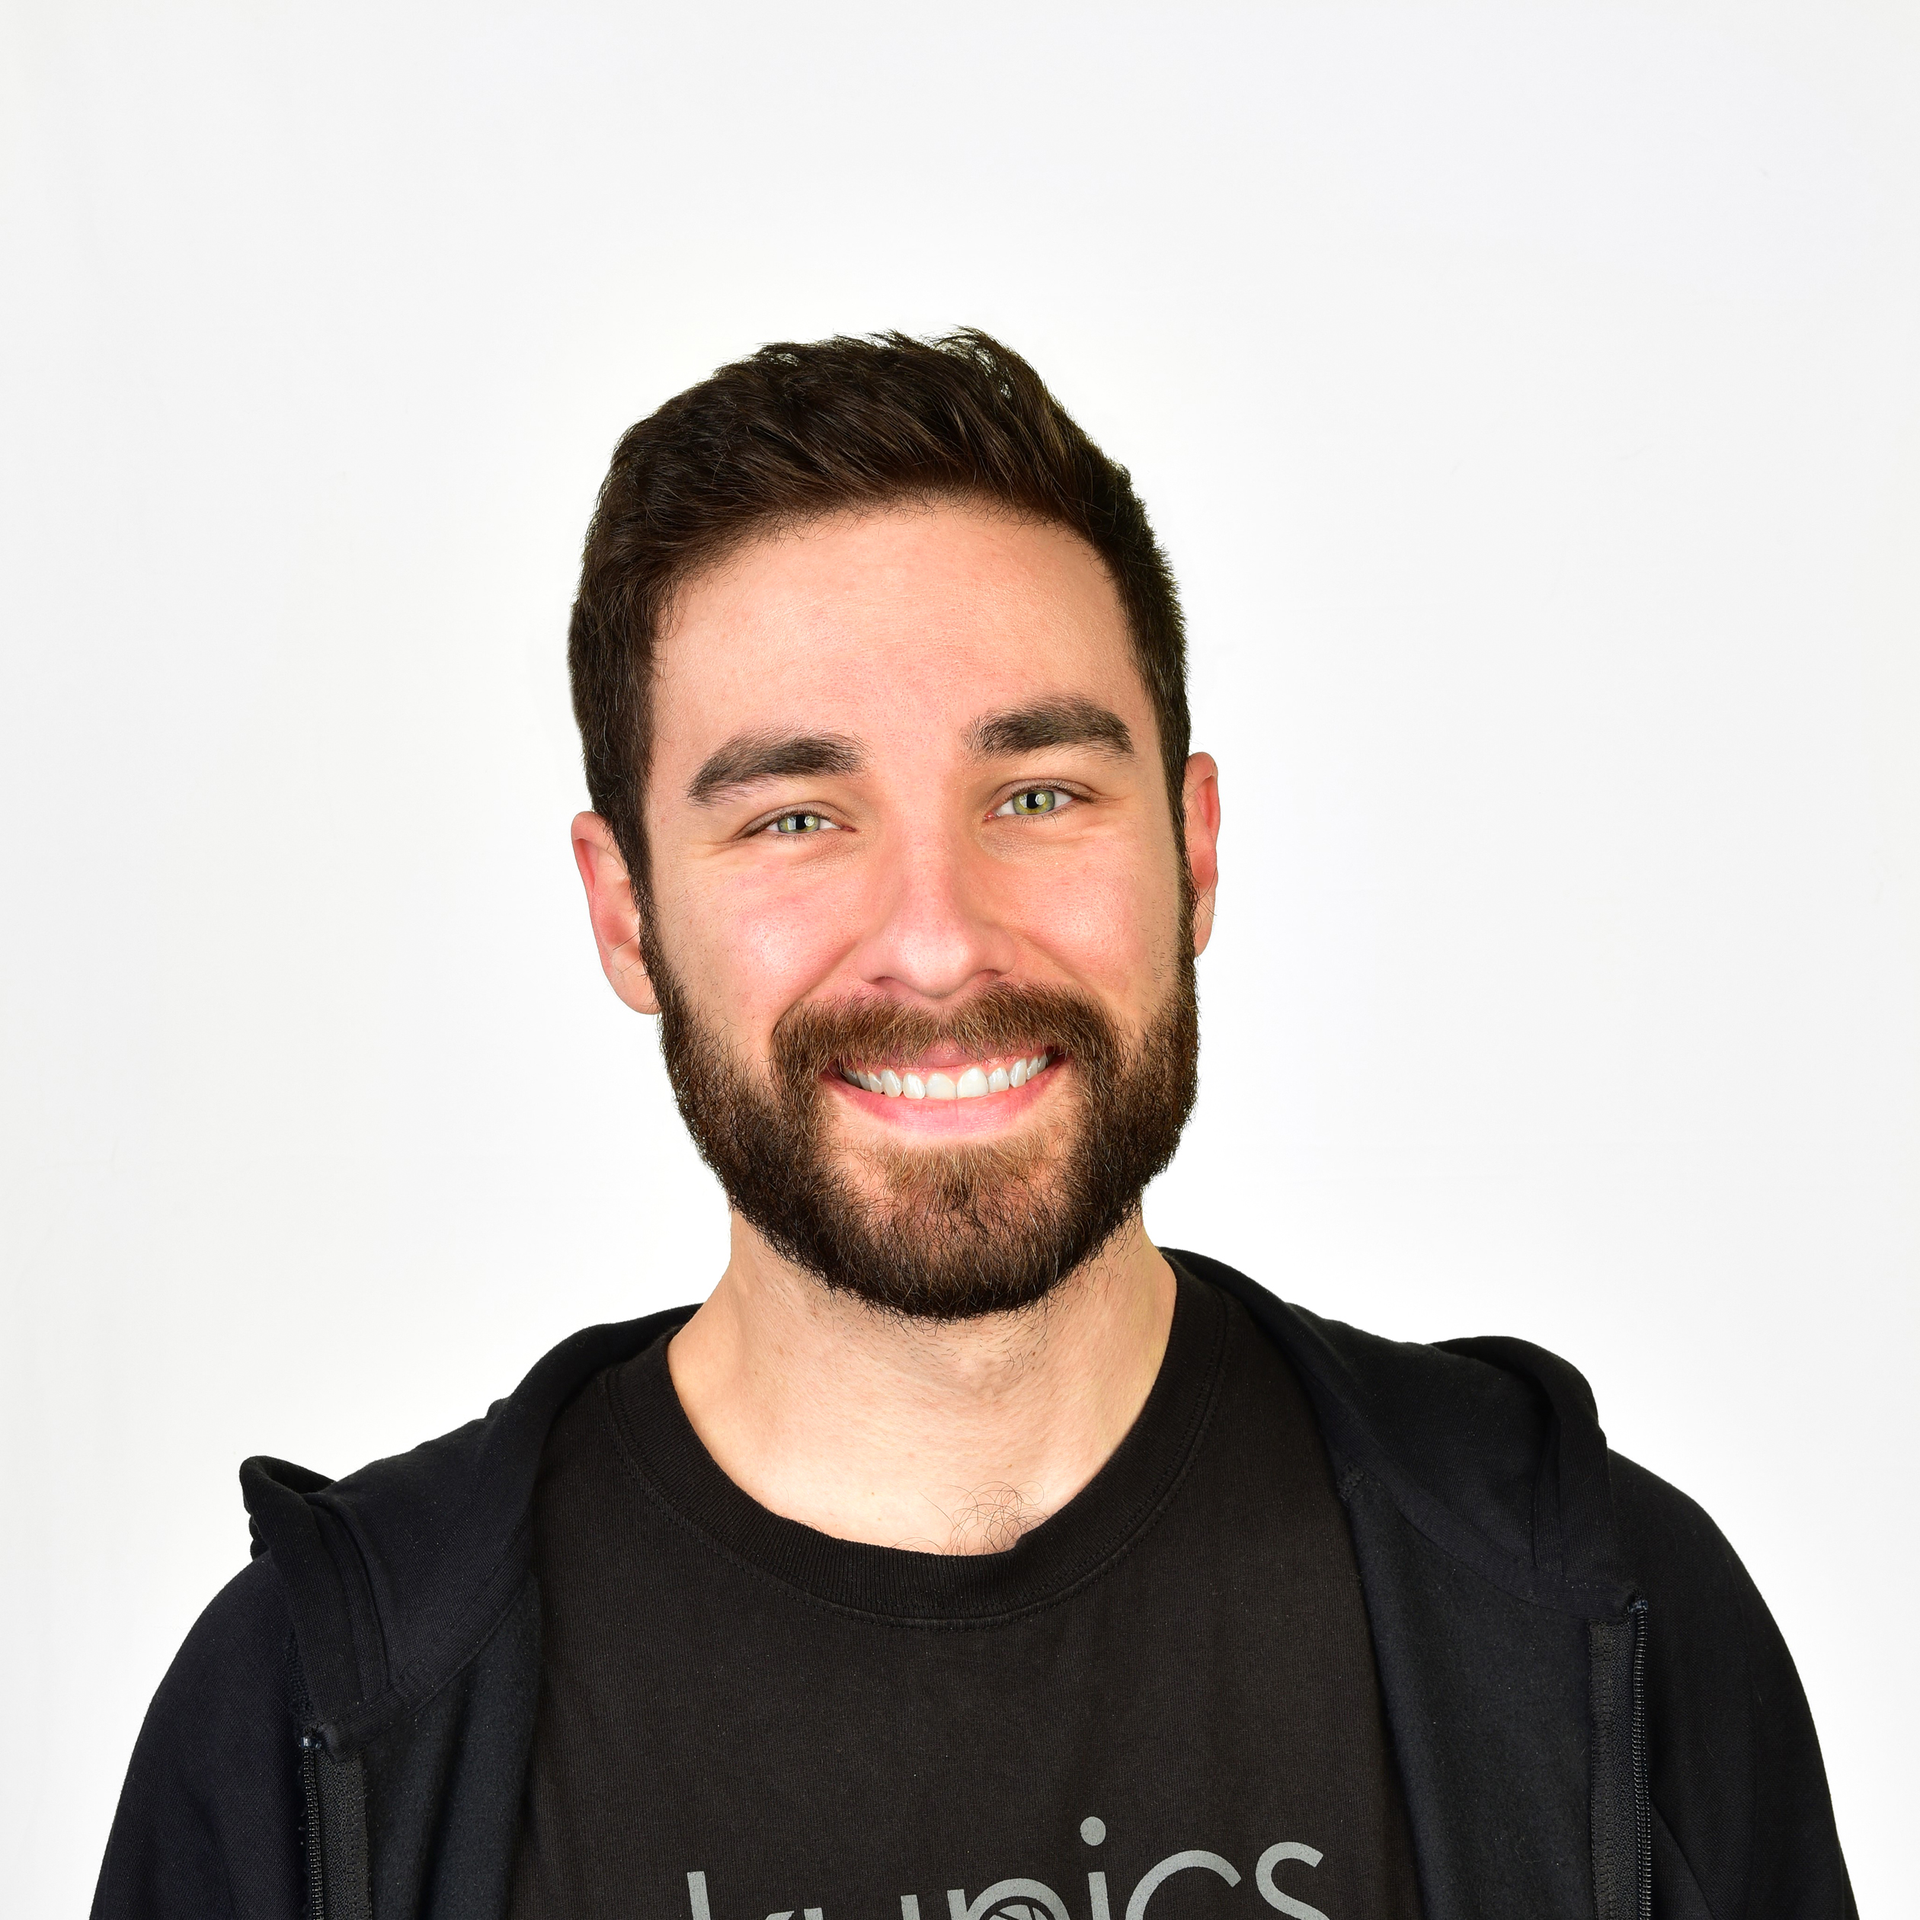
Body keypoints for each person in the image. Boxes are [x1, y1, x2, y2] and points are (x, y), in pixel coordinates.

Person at [93, 331, 1854, 1920]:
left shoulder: (1599, 1618)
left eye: (1038, 793)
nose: (938, 938)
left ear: (1195, 848)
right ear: (625, 912)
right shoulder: (317, 1725)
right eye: (795, 818)